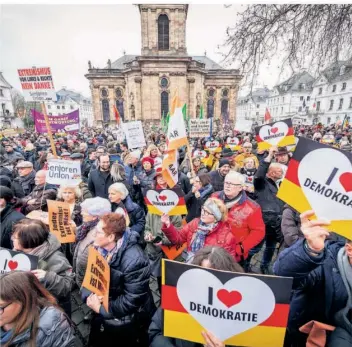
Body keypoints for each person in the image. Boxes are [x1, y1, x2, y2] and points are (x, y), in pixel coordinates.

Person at [274, 210, 352, 346]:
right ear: (349, 250)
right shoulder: (327, 261)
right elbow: (284, 275)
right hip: (309, 335)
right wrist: (309, 251)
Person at [82, 213, 156, 347]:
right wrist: (88, 295)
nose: (93, 235)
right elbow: (91, 275)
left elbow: (132, 300)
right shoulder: (98, 248)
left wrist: (103, 309)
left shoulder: (135, 261)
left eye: (98, 232)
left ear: (111, 237)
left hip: (128, 319)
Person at [148, 246, 244, 347]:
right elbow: (156, 332)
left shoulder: (239, 314)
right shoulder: (179, 296)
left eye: (215, 278)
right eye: (203, 276)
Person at [11, 219, 74, 316]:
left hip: (52, 310)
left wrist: (47, 277)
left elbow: (67, 286)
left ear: (28, 241)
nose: (11, 238)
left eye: (15, 237)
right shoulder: (18, 251)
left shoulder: (56, 258)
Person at [0, 271, 75, 347]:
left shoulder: (51, 327)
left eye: (0, 307)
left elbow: (68, 284)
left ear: (22, 300)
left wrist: (48, 276)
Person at [212, 172, 265, 265]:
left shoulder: (253, 208)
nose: (227, 186)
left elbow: (258, 232)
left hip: (233, 255)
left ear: (240, 187)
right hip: (212, 248)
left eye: (231, 184)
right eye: (226, 183)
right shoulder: (214, 197)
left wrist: (241, 248)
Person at [161, 198, 238, 262]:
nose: (203, 213)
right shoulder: (195, 223)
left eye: (208, 212)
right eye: (203, 210)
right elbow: (178, 239)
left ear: (216, 218)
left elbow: (228, 263)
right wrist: (168, 224)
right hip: (190, 263)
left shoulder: (227, 237)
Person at [253, 146, 285, 274]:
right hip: (263, 222)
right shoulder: (261, 184)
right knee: (256, 247)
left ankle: (265, 265)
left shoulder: (282, 184)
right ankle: (245, 262)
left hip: (276, 223)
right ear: (270, 172)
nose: (281, 173)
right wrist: (269, 156)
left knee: (271, 247)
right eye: (278, 171)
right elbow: (259, 174)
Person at [73, 197, 111, 288]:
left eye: (84, 211)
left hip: (88, 279)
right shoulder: (87, 226)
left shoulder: (101, 234)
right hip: (81, 272)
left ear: (94, 216)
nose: (81, 213)